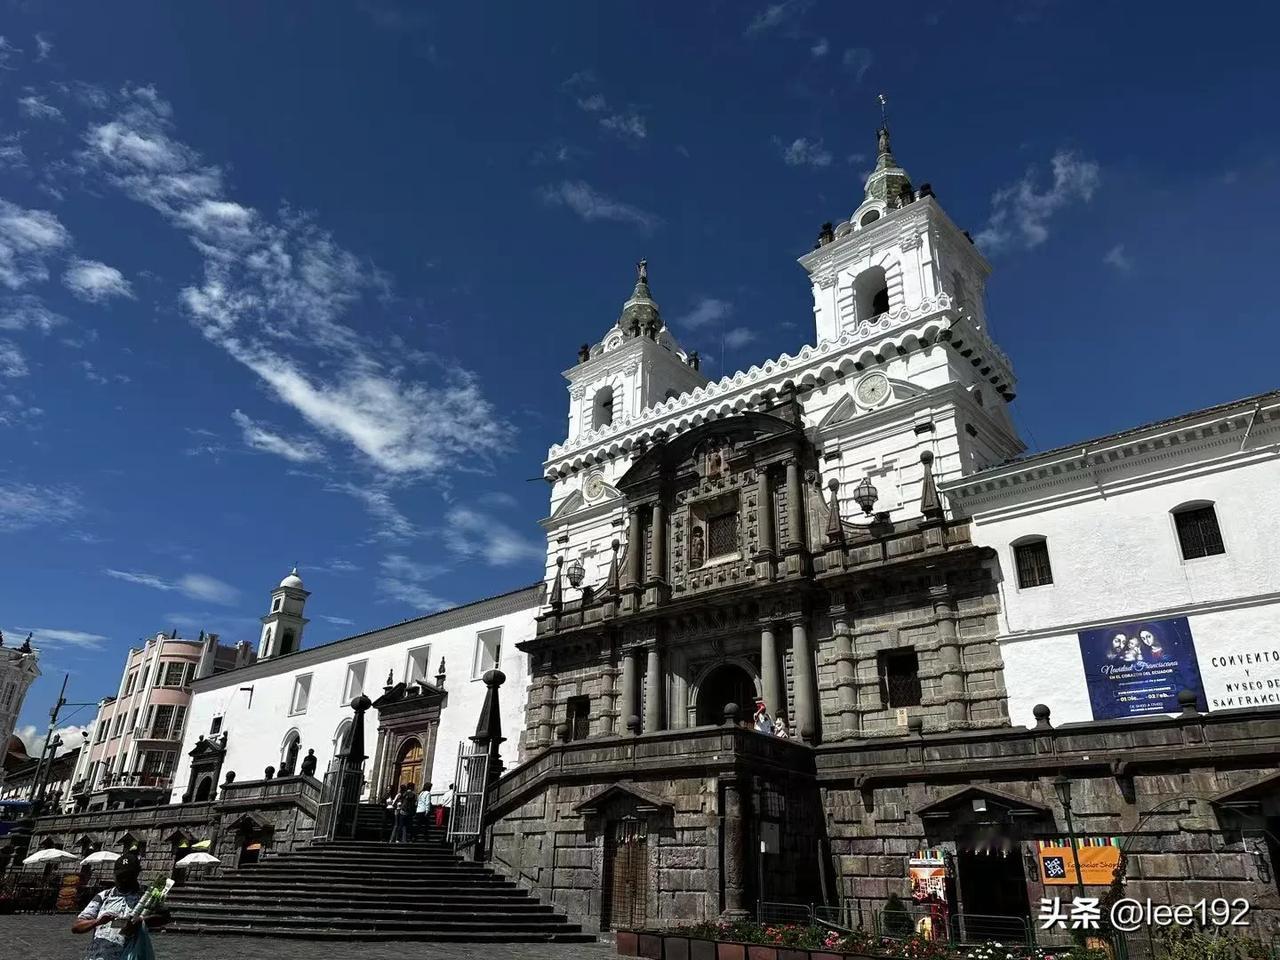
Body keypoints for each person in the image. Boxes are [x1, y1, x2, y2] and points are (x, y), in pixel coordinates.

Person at [72, 853, 167, 960]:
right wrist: (97, 921)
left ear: (137, 873)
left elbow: (165, 917)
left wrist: (141, 921)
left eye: (128, 876)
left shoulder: (146, 895)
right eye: (120, 876)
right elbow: (76, 927)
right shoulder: (104, 896)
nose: (124, 880)